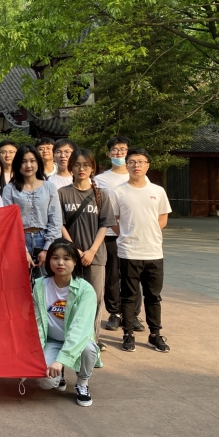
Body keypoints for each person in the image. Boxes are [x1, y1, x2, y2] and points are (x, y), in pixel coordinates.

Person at [111, 148, 172, 353]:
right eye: (132, 162)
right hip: (129, 252)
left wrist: (149, 232)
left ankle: (155, 335)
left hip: (154, 251)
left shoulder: (158, 191)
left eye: (141, 162)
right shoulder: (118, 192)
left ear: (148, 165)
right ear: (126, 165)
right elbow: (113, 220)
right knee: (129, 296)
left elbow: (163, 218)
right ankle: (128, 334)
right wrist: (125, 235)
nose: (136, 165)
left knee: (153, 296)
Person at [58, 149, 116, 349]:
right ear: (71, 167)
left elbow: (104, 225)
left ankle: (91, 341)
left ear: (93, 168)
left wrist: (91, 251)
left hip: (95, 256)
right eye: (77, 164)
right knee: (69, 298)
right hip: (69, 256)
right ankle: (71, 339)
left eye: (86, 165)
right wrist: (73, 249)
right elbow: (60, 224)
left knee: (94, 299)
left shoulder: (101, 195)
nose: (81, 169)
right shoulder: (62, 193)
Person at [31, 238, 98, 407]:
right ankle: (58, 376)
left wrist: (61, 360)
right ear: (49, 261)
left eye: (66, 258)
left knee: (88, 348)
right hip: (51, 340)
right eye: (55, 258)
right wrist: (33, 355)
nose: (60, 263)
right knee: (45, 381)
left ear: (75, 262)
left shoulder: (86, 290)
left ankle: (82, 383)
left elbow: (80, 328)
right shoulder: (40, 286)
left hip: (78, 340)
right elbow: (36, 322)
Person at [96, 136, 144, 333]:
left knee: (132, 276)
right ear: (109, 154)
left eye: (122, 150)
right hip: (109, 234)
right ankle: (114, 313)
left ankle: (132, 314)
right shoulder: (100, 180)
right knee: (112, 276)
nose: (119, 153)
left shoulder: (139, 176)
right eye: (115, 150)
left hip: (132, 234)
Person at [2, 144, 62, 275]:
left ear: (38, 163)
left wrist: (47, 249)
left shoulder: (49, 187)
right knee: (18, 282)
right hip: (18, 240)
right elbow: (8, 223)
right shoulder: (9, 189)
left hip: (45, 238)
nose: (28, 165)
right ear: (17, 164)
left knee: (44, 283)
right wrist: (22, 250)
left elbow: (55, 220)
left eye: (32, 161)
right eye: (23, 161)